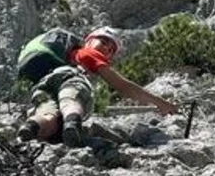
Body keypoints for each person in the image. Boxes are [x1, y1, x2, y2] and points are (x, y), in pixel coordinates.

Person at [15, 26, 177, 147]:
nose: (106, 49)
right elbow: (123, 86)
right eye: (104, 42)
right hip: (68, 77)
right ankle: (72, 125)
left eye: (111, 50)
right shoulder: (88, 53)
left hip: (43, 83)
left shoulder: (64, 57)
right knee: (73, 98)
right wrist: (160, 102)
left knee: (48, 112)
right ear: (89, 41)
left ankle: (31, 128)